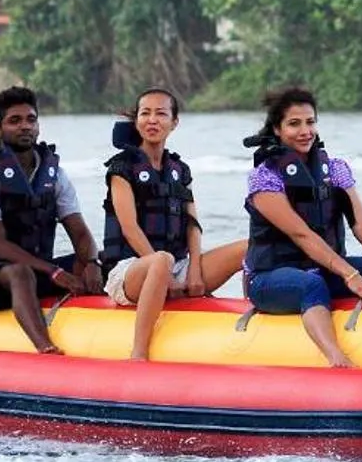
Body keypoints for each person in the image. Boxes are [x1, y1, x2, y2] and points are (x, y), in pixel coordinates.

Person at [243, 85, 362, 368]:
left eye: (310, 122)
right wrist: (350, 274)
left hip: (327, 268)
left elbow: (361, 224)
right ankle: (336, 358)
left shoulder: (335, 169)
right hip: (269, 279)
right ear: (278, 130)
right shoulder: (265, 177)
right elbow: (300, 233)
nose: (305, 130)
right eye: (294, 124)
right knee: (310, 284)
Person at [99, 87, 249, 361]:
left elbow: (192, 223)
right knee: (161, 259)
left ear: (174, 122)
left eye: (161, 114)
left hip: (175, 265)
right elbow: (130, 227)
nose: (152, 120)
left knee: (249, 247)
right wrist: (163, 270)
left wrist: (193, 270)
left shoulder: (180, 170)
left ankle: (255, 324)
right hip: (130, 271)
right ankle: (139, 352)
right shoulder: (121, 169)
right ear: (136, 121)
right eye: (145, 113)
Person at [0, 85, 101, 354]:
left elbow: (79, 231)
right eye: (15, 121)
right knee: (20, 273)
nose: (25, 126)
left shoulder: (54, 175)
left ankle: (106, 329)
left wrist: (92, 262)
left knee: (106, 258)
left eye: (31, 120)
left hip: (41, 270)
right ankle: (44, 347)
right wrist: (55, 272)